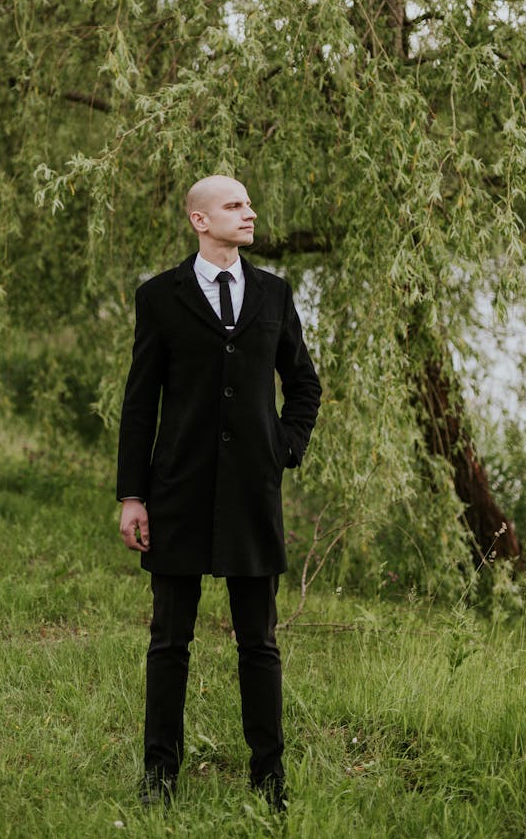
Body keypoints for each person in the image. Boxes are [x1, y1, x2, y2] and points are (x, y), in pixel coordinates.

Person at [117, 174, 321, 811]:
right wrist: (132, 495)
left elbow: (305, 385)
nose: (250, 213)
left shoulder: (273, 293)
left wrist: (283, 446)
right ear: (200, 221)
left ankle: (270, 779)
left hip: (252, 496)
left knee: (259, 642)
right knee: (168, 640)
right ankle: (159, 778)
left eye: (250, 204)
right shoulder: (159, 298)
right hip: (177, 491)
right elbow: (139, 404)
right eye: (235, 206)